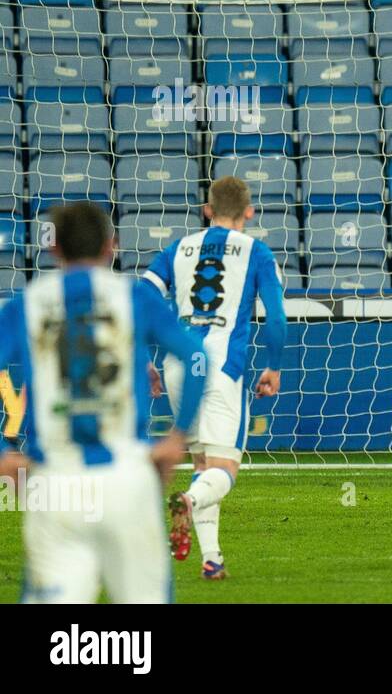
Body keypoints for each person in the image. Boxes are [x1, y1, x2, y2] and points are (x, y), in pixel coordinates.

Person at [0, 202, 206, 602]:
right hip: (127, 478)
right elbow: (197, 356)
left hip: (55, 482)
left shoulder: (25, 304)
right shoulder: (134, 299)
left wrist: (2, 451)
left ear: (53, 248)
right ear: (112, 247)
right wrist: (178, 436)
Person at [143, 176, 287, 580]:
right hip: (224, 367)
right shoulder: (257, 252)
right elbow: (276, 316)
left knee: (204, 461)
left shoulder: (178, 248)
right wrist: (273, 365)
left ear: (207, 210)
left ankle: (213, 559)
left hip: (177, 366)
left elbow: (143, 297)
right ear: (249, 211)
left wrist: (145, 360)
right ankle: (187, 500)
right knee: (225, 467)